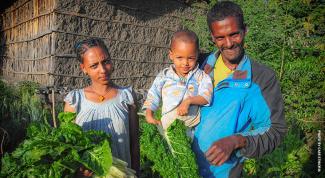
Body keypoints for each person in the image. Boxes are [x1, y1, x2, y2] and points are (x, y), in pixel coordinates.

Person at [192, 1, 287, 177]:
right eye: (220, 37)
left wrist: (236, 141)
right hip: (181, 168)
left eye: (234, 34)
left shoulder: (261, 78)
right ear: (212, 37)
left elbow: (275, 130)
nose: (228, 43)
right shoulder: (198, 65)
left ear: (245, 30)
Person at [63, 38, 139, 176]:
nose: (103, 70)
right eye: (94, 66)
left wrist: (137, 173)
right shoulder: (75, 101)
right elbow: (68, 146)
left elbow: (134, 144)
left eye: (106, 62)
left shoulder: (127, 96)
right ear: (84, 68)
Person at [143, 30, 213, 130]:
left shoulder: (202, 77)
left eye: (191, 58)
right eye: (179, 58)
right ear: (171, 55)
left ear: (197, 55)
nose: (185, 63)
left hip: (190, 127)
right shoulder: (164, 75)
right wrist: (149, 115)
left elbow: (206, 97)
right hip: (167, 126)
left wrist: (189, 101)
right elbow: (153, 95)